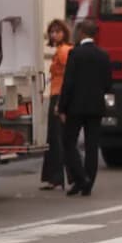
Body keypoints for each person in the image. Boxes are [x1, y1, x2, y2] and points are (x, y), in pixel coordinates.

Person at [57, 20, 112, 197]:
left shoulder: (76, 53)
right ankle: (88, 183)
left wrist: (62, 106)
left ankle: (80, 178)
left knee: (69, 143)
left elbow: (69, 82)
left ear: (81, 33)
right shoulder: (103, 55)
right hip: (96, 106)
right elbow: (108, 83)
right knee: (91, 145)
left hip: (76, 106)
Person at [40, 19, 72, 190]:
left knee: (57, 138)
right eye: (52, 32)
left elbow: (68, 76)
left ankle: (59, 177)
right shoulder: (61, 50)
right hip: (57, 94)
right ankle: (61, 177)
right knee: (57, 138)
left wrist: (60, 103)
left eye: (57, 31)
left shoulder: (64, 51)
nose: (54, 34)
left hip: (59, 96)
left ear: (64, 33)